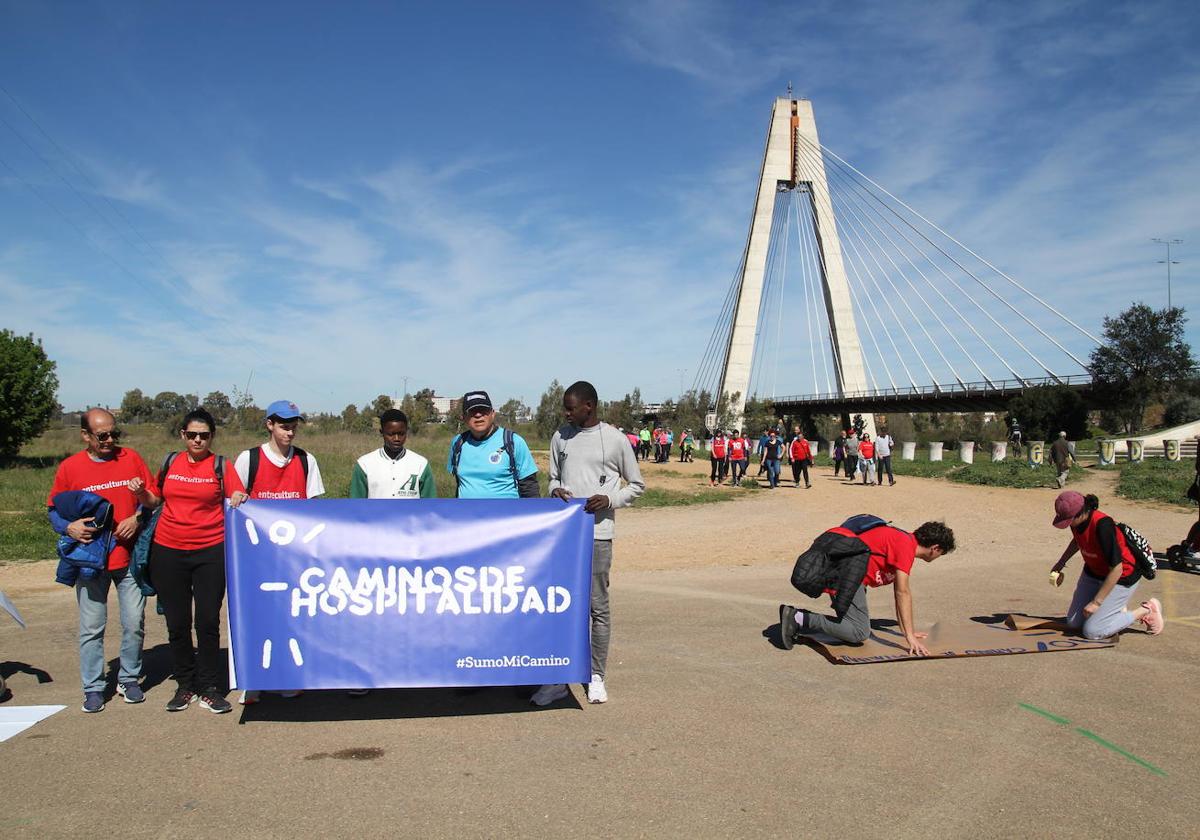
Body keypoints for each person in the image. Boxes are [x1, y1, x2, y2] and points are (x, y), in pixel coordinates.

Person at [536, 381, 646, 707]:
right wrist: (554, 489)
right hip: (564, 537)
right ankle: (558, 677)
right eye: (565, 408)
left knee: (597, 606)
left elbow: (637, 485)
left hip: (598, 536)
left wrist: (609, 498)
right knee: (561, 606)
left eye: (570, 408)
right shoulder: (560, 437)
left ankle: (596, 676)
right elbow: (554, 477)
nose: (565, 413)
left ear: (589, 406)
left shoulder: (614, 440)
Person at [47, 408, 158, 713]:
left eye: (114, 433)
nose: (110, 440)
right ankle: (94, 687)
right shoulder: (71, 468)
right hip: (90, 562)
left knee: (134, 623)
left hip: (128, 559)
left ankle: (129, 679)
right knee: (92, 627)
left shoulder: (131, 458)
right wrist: (68, 527)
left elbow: (153, 500)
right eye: (102, 435)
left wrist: (138, 516)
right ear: (85, 435)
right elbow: (53, 509)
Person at [150, 408, 249, 714]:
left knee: (206, 621)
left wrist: (238, 497)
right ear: (183, 435)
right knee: (177, 623)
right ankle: (185, 685)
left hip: (210, 550)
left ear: (211, 437)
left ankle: (209, 687)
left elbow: (238, 493)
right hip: (168, 550)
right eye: (192, 435)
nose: (197, 440)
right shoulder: (170, 462)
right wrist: (142, 494)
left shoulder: (221, 465)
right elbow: (155, 497)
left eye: (204, 435)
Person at [235, 400, 325, 704]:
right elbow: (236, 503)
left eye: (294, 425)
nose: (290, 431)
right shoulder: (249, 460)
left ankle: (287, 675)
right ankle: (253, 679)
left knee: (291, 617)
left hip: (292, 556)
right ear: (269, 425)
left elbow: (314, 508)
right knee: (257, 615)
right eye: (284, 425)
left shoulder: (305, 460)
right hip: (257, 555)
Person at [780, 519, 957, 656]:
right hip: (844, 576)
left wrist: (907, 631)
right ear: (935, 548)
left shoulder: (903, 539)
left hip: (848, 576)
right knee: (859, 632)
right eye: (941, 553)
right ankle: (799, 618)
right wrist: (909, 638)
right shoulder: (905, 547)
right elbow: (902, 592)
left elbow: (899, 595)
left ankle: (807, 619)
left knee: (853, 625)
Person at [1048, 492, 1163, 639]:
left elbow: (1117, 569)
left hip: (1121, 577)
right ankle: (1114, 608)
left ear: (1082, 513)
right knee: (1074, 623)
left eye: (1069, 520)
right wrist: (1061, 562)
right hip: (1093, 573)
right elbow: (1078, 540)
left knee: (1093, 631)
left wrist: (1096, 602)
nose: (1068, 524)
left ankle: (1146, 610)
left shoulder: (1103, 526)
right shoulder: (1076, 521)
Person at [448, 390, 539, 499]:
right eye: (472, 411)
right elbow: (460, 484)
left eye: (483, 410)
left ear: (493, 413)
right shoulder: (458, 443)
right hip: (467, 514)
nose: (478, 415)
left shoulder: (513, 442)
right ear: (464, 417)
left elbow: (529, 488)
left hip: (506, 514)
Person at [351, 409, 436, 501]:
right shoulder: (365, 465)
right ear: (382, 432)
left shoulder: (420, 464)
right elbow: (356, 505)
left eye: (401, 434)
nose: (396, 438)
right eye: (391, 434)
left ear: (406, 432)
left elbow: (430, 505)